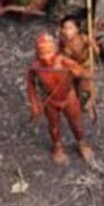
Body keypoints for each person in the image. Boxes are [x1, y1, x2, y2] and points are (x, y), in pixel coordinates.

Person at [26, 32, 94, 165]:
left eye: (49, 52)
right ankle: (57, 146)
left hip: (68, 97)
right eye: (42, 53)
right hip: (50, 101)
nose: (45, 58)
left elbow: (87, 75)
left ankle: (81, 143)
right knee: (54, 126)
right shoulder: (35, 67)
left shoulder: (65, 62)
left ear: (55, 51)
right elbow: (30, 86)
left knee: (76, 124)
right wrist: (34, 104)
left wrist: (79, 72)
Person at [58, 17, 98, 115]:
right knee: (71, 86)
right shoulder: (62, 42)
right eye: (65, 28)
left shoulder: (83, 38)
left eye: (70, 28)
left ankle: (90, 99)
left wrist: (93, 46)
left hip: (85, 65)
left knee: (86, 84)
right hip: (73, 67)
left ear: (77, 29)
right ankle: (75, 101)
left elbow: (97, 51)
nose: (67, 31)